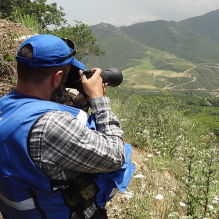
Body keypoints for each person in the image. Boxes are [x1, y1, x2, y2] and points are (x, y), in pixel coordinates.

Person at [0, 34, 135, 219]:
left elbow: (40, 145)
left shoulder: (6, 108)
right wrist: (98, 100)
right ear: (57, 78)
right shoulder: (50, 126)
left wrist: (79, 103)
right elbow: (115, 155)